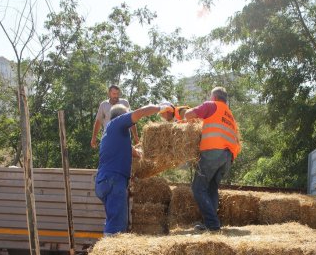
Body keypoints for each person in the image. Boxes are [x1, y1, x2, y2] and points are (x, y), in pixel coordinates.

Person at [95, 103, 172, 235]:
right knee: (117, 225)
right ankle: (112, 253)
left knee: (113, 219)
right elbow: (140, 112)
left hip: (104, 181)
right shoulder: (118, 123)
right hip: (114, 180)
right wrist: (161, 107)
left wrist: (143, 155)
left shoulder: (111, 131)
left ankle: (110, 247)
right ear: (123, 116)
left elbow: (131, 151)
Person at [183, 87, 240, 231]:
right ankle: (210, 224)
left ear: (214, 97)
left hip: (213, 154)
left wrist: (181, 113)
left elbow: (189, 115)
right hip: (227, 158)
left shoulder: (211, 105)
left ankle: (213, 225)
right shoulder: (230, 116)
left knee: (198, 188)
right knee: (211, 189)